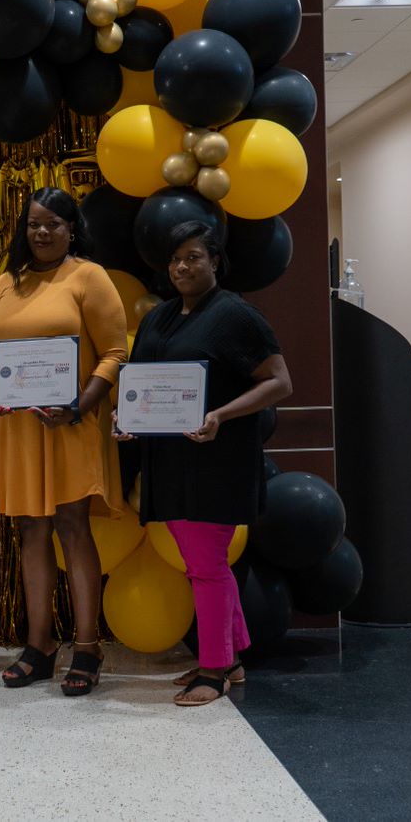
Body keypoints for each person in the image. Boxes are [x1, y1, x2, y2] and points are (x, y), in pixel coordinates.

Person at [116, 221, 292, 707]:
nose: (182, 267)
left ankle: (213, 670)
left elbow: (279, 382)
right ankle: (230, 657)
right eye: (175, 259)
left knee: (206, 568)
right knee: (206, 565)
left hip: (217, 461)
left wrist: (221, 415)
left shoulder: (236, 315)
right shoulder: (161, 318)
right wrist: (127, 417)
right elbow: (144, 383)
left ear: (215, 260)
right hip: (169, 461)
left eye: (193, 257)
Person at [0, 187, 128, 697]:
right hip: (17, 428)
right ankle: (39, 646)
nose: (41, 232)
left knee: (72, 527)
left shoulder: (88, 276)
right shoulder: (4, 282)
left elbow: (114, 352)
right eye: (34, 223)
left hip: (71, 424)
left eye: (53, 224)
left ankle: (87, 646)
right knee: (31, 531)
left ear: (71, 229)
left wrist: (80, 406)